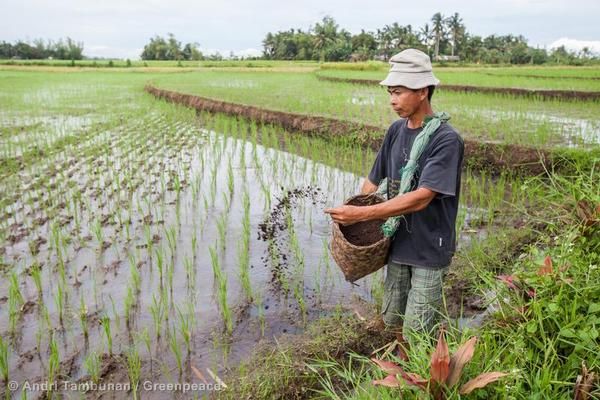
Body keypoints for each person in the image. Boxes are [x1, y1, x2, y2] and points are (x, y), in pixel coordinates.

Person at [325, 49, 464, 358]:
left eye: (399, 92)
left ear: (423, 91)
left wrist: (362, 212)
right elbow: (373, 181)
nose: (392, 99)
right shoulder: (395, 131)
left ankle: (422, 374)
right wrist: (358, 220)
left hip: (429, 246)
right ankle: (404, 367)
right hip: (398, 242)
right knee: (395, 317)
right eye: (390, 92)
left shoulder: (445, 139)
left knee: (419, 325)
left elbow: (422, 197)